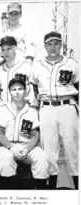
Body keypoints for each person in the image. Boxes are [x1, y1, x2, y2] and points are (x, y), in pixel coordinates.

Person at [30, 31, 79, 189]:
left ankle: (77, 188)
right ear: (45, 46)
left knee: (72, 147)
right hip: (47, 108)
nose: (53, 47)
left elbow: (77, 86)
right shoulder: (37, 65)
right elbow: (34, 87)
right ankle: (52, 188)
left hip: (67, 106)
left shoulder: (71, 63)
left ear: (61, 45)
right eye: (49, 44)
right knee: (50, 149)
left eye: (56, 43)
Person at [0, 77, 49, 189]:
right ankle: (9, 193)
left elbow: (35, 135)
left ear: (25, 90)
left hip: (27, 146)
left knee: (41, 157)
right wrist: (10, 147)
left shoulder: (32, 111)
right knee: (5, 159)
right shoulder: (2, 109)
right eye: (14, 90)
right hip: (7, 145)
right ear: (9, 92)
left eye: (20, 89)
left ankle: (41, 192)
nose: (17, 92)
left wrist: (27, 148)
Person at [0, 36, 32, 105]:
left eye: (8, 49)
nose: (6, 53)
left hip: (23, 109)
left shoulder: (26, 67)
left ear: (15, 48)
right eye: (3, 50)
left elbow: (33, 91)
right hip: (5, 110)